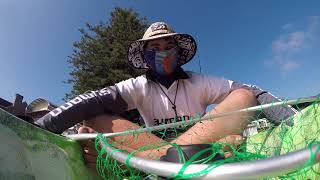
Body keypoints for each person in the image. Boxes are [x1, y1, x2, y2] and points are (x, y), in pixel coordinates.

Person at [35, 22, 296, 168]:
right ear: (146, 55)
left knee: (242, 96)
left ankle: (157, 167)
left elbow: (252, 92)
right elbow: (91, 100)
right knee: (92, 120)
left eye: (169, 46)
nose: (163, 51)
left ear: (179, 53)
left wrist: (294, 118)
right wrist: (37, 127)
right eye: (155, 47)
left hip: (197, 142)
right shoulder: (137, 85)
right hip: (155, 146)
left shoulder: (199, 81)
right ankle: (168, 161)